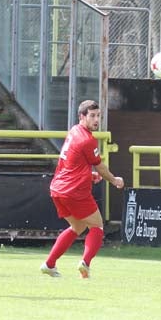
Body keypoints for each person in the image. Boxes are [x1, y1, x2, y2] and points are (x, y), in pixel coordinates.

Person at [40, 99, 124, 278]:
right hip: (74, 191)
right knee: (98, 226)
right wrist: (114, 180)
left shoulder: (74, 132)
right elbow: (100, 166)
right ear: (82, 117)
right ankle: (85, 263)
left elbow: (72, 162)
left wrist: (88, 175)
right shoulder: (87, 140)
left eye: (98, 116)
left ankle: (49, 264)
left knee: (76, 227)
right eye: (92, 116)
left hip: (57, 189)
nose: (96, 120)